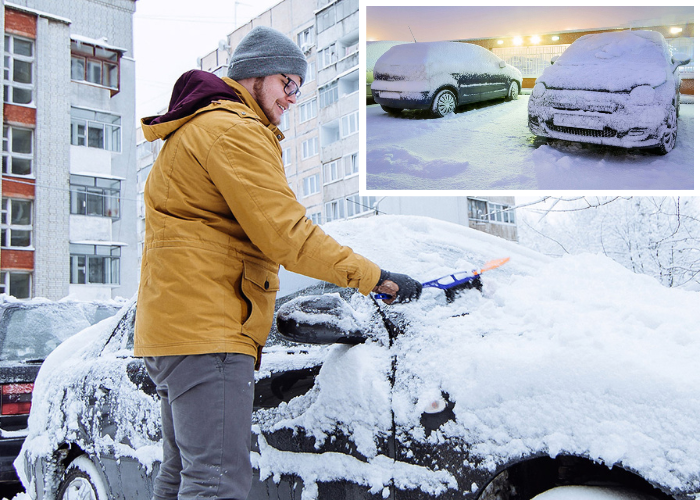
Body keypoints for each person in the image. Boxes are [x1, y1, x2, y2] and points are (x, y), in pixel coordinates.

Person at [134, 26, 421, 500]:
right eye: (288, 83)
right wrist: (377, 278)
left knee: (186, 474)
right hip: (209, 329)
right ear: (255, 76)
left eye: (298, 89)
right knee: (216, 482)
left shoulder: (201, 127)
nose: (293, 98)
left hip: (178, 329)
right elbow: (288, 235)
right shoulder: (232, 130)